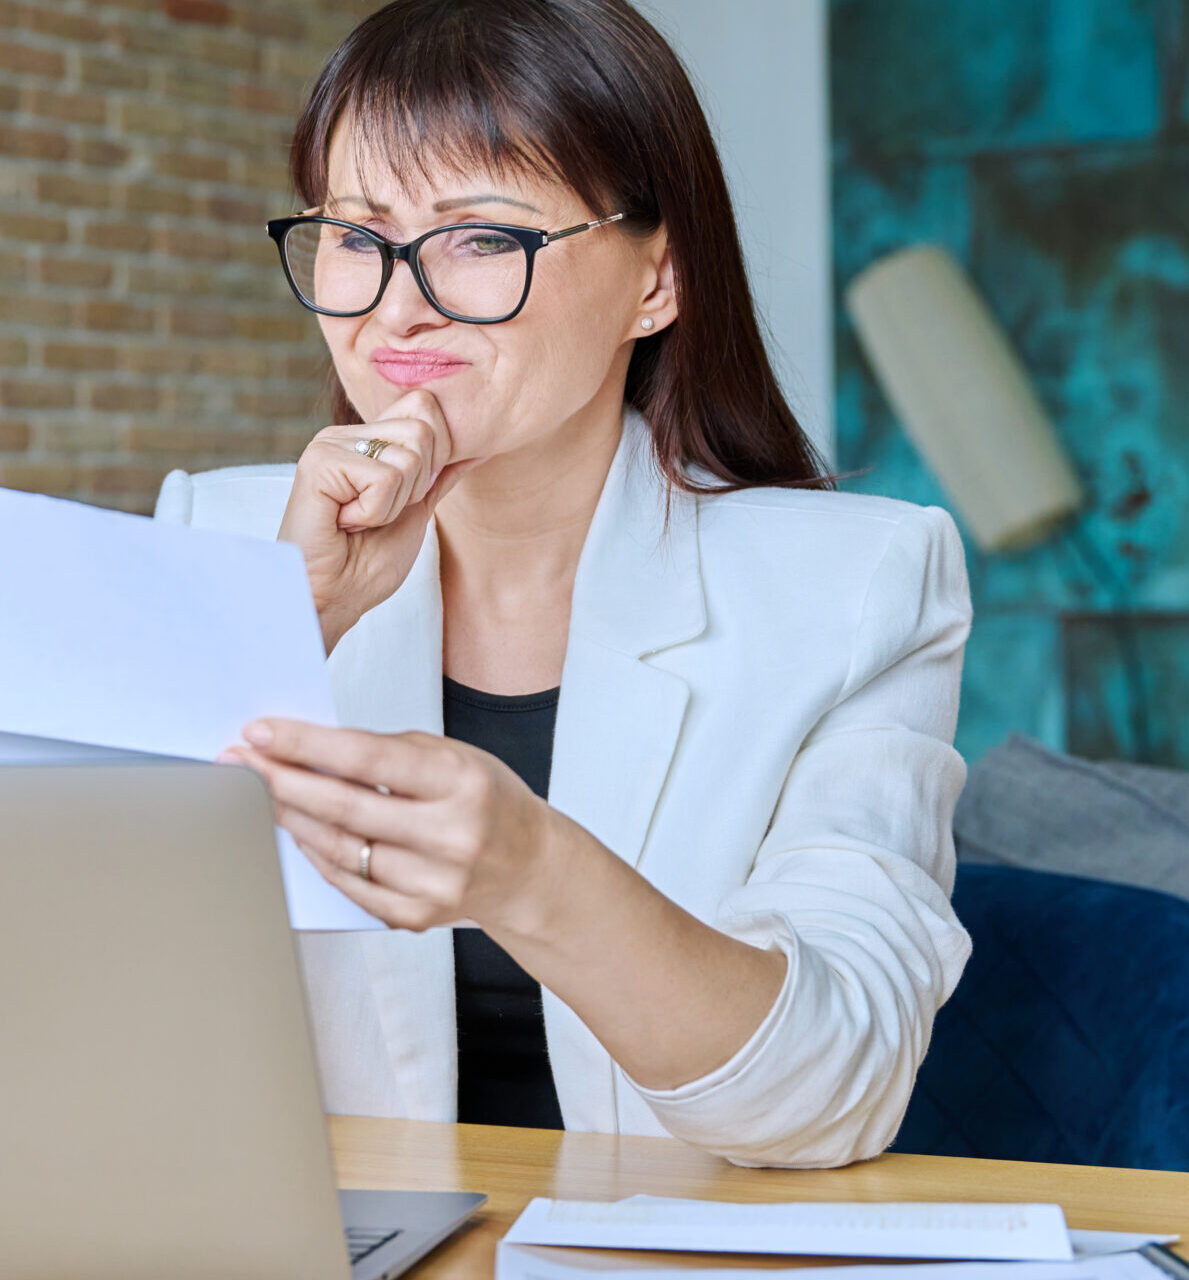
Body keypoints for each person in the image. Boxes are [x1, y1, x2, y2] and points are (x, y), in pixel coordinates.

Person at [161, 0, 973, 1168]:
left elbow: (827, 1094)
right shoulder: (222, 539)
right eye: (356, 234)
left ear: (658, 277)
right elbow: (63, 992)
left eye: (481, 237)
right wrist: (288, 624)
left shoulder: (853, 588)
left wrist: (532, 869)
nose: (397, 306)